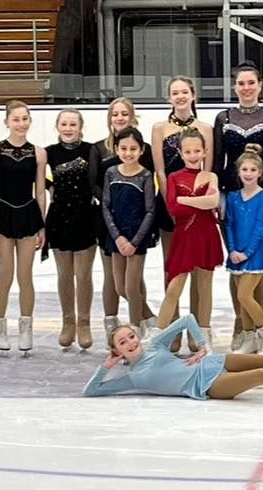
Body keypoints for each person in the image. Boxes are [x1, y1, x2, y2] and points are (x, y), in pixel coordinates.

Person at [83, 315, 263, 399]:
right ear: (117, 351)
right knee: (261, 376)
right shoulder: (132, 378)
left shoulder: (154, 344)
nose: (131, 342)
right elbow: (91, 392)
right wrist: (105, 367)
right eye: (123, 342)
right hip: (204, 386)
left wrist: (202, 347)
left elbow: (188, 320)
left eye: (131, 336)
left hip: (210, 363)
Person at [214, 61, 263, 351]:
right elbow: (218, 161)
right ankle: (241, 326)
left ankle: (258, 327)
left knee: (255, 260)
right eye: (241, 83)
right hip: (231, 197)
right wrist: (218, 197)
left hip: (262, 198)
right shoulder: (223, 118)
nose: (246, 88)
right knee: (236, 263)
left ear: (260, 85)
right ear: (235, 86)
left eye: (251, 83)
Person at [151, 76, 214, 352]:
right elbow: (161, 171)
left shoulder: (205, 129)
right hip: (170, 206)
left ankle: (197, 332)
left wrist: (191, 202)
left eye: (184, 92)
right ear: (169, 98)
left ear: (193, 95)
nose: (180, 96)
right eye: (174, 93)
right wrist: (171, 202)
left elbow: (207, 173)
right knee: (174, 269)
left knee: (199, 273)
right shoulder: (159, 128)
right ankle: (173, 330)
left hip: (198, 210)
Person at [89, 97, 158, 342]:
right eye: (114, 114)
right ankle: (150, 320)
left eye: (124, 113)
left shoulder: (145, 165)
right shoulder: (102, 156)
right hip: (113, 227)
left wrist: (139, 233)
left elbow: (150, 201)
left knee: (133, 283)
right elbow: (100, 193)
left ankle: (138, 328)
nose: (119, 117)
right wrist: (116, 233)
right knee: (119, 284)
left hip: (138, 225)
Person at [0, 100, 46, 356]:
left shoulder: (39, 153)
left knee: (25, 276)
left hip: (28, 215)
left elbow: (40, 191)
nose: (21, 124)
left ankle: (25, 327)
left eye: (25, 119)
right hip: (2, 213)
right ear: (7, 122)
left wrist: (42, 225)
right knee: (5, 275)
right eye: (16, 119)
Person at [45, 108, 98, 350]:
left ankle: (84, 322)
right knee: (64, 274)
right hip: (58, 218)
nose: (68, 128)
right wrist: (49, 186)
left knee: (83, 274)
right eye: (64, 124)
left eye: (73, 124)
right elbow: (31, 176)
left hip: (85, 216)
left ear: (80, 127)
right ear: (57, 126)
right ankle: (68, 322)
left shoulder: (91, 150)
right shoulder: (48, 153)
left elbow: (98, 179)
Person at [225, 146, 263, 355]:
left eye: (253, 170)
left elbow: (261, 228)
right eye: (245, 170)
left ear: (260, 172)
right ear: (238, 172)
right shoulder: (232, 197)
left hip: (256, 254)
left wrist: (246, 252)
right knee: (242, 298)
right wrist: (232, 250)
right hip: (236, 254)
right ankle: (249, 338)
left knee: (243, 295)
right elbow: (229, 224)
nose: (248, 174)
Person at [101, 127, 157, 333]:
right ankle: (151, 319)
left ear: (141, 150)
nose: (128, 152)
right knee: (120, 288)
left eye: (133, 148)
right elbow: (106, 205)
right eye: (123, 148)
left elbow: (150, 211)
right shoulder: (111, 172)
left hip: (137, 236)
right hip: (116, 236)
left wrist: (134, 241)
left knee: (132, 288)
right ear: (116, 149)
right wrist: (117, 237)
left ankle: (136, 330)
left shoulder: (145, 175)